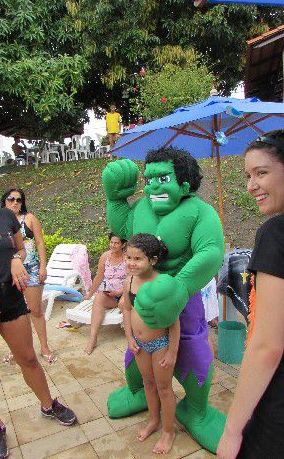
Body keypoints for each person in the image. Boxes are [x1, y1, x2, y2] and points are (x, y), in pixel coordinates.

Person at [103, 147, 225, 453]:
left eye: (164, 177)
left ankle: (195, 410)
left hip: (183, 300)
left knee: (193, 352)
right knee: (136, 358)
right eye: (150, 177)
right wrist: (116, 198)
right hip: (139, 305)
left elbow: (210, 251)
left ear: (184, 184)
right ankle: (141, 393)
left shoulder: (200, 211)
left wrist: (180, 287)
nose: (154, 185)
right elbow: (123, 229)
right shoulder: (141, 208)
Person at [0, 158, 76, 459]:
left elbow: (20, 247)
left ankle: (48, 403)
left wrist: (15, 259)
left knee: (28, 357)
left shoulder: (6, 217)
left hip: (10, 297)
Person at [217, 130, 284, 459]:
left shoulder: (276, 234)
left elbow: (268, 347)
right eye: (248, 176)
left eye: (262, 172)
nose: (251, 186)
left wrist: (232, 430)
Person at [123, 234, 180, 454]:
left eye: (138, 259)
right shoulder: (129, 281)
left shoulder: (162, 284)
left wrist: (172, 352)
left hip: (160, 344)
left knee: (164, 388)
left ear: (153, 260)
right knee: (148, 383)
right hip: (139, 344)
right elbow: (127, 310)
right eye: (129, 257)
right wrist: (129, 338)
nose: (131, 263)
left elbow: (174, 322)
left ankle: (168, 431)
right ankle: (153, 421)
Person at [1, 188, 56, 364]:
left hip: (31, 270)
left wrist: (42, 267)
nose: (15, 202)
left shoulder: (29, 219)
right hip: (10, 273)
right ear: (4, 201)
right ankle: (16, 350)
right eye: (11, 199)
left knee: (35, 310)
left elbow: (39, 242)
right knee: (14, 315)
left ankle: (44, 347)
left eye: (19, 199)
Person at [83, 232, 127, 354]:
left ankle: (133, 337)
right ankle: (93, 339)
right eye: (111, 242)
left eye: (116, 243)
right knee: (98, 299)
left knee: (123, 302)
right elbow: (98, 278)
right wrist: (89, 295)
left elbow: (132, 279)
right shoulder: (105, 257)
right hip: (110, 295)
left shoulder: (127, 258)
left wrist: (119, 292)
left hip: (125, 294)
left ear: (123, 244)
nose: (113, 245)